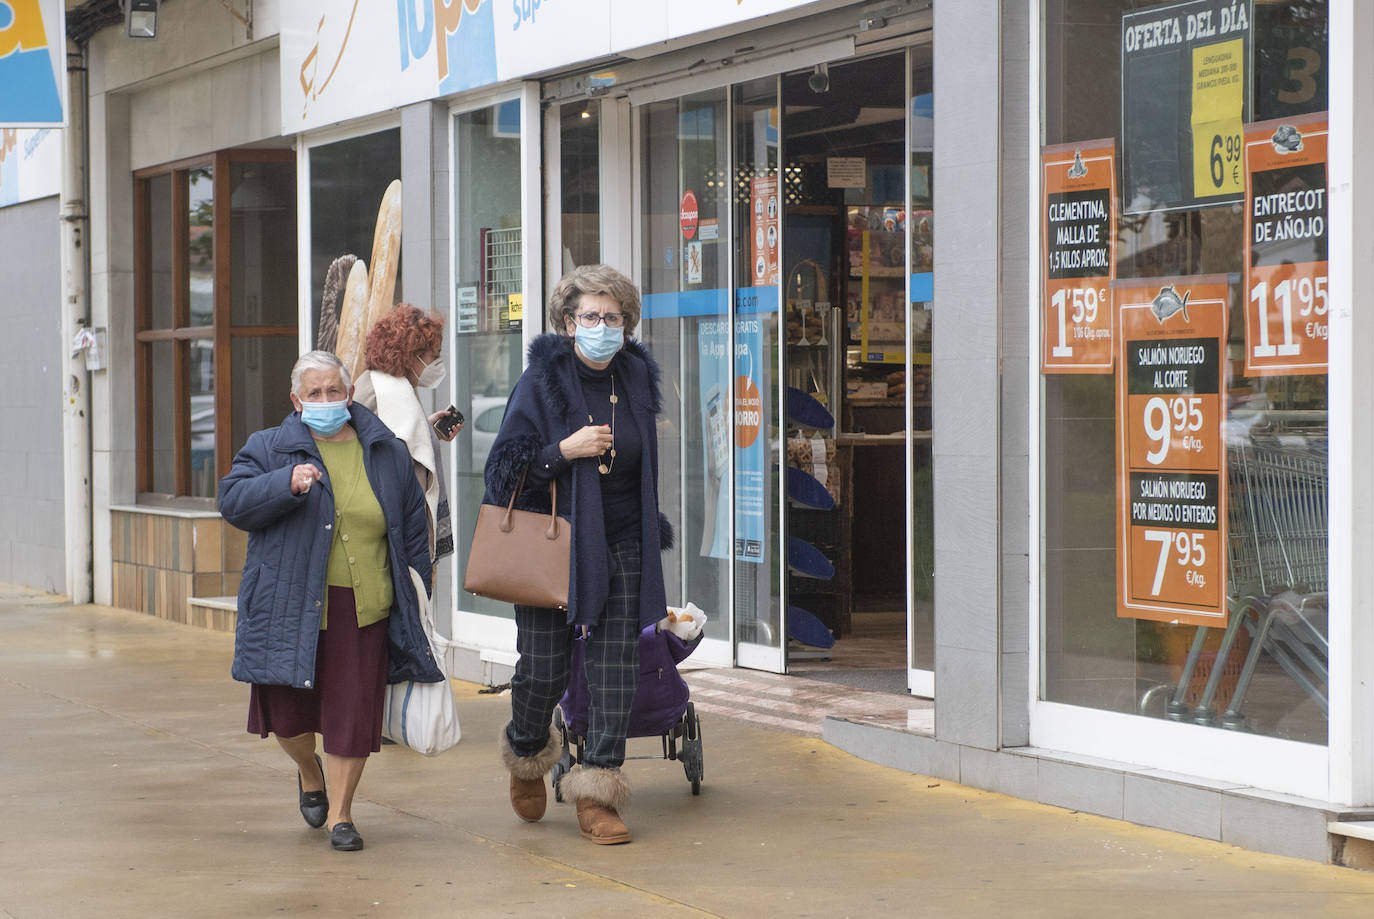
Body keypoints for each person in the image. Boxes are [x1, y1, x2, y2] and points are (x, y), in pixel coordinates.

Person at [218, 350, 443, 852]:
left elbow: (410, 527)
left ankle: (342, 815)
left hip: (365, 606)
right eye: (314, 393)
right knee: (288, 714)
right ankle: (308, 770)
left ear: (348, 394)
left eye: (333, 391)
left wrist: (418, 593)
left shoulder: (384, 449)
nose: (325, 401)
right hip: (290, 605)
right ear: (296, 401)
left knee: (352, 712)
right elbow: (232, 501)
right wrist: (285, 484)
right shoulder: (270, 448)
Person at [485, 264, 673, 846]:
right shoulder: (542, 380)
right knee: (543, 670)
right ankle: (526, 749)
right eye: (589, 316)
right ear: (568, 323)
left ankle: (597, 793)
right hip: (555, 543)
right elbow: (501, 474)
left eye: (612, 317)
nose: (601, 326)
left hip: (623, 539)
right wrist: (563, 451)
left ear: (627, 323)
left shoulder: (638, 375)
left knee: (616, 668)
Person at [352, 304, 462, 566]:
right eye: (431, 354)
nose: (436, 362)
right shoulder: (389, 392)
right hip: (395, 530)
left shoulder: (386, 384)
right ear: (411, 354)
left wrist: (428, 429)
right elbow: (398, 449)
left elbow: (393, 436)